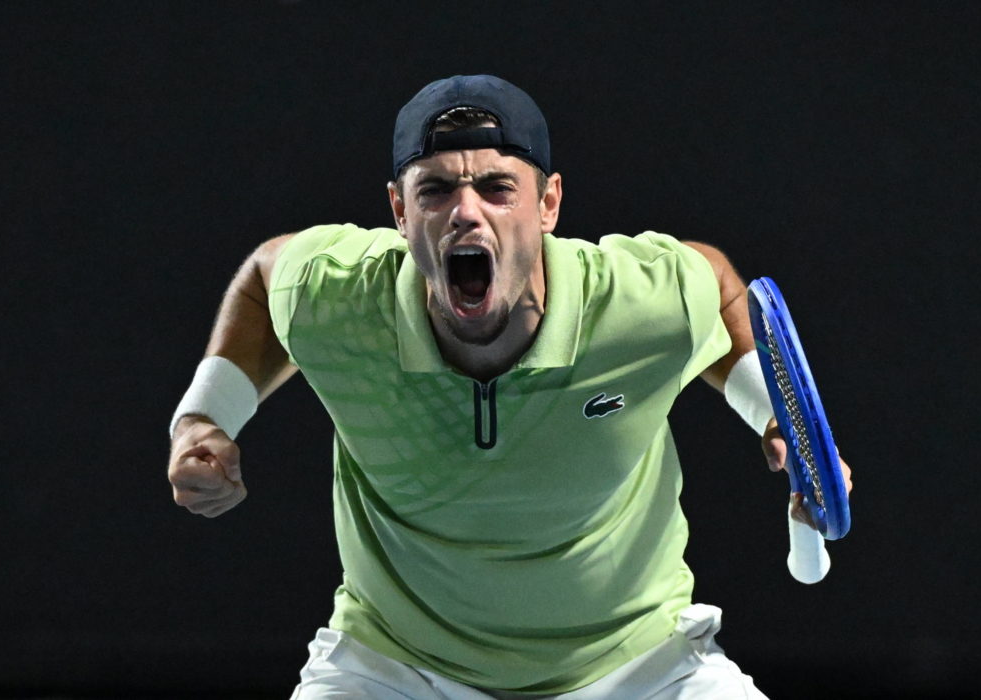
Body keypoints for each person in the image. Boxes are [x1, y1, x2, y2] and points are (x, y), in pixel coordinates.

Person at [167, 75, 851, 699]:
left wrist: (773, 413)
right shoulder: (335, 293)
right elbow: (265, 277)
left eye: (497, 188)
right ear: (399, 211)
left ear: (548, 204)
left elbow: (717, 290)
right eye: (435, 190)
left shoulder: (642, 298)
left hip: (639, 662)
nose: (466, 212)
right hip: (397, 665)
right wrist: (204, 420)